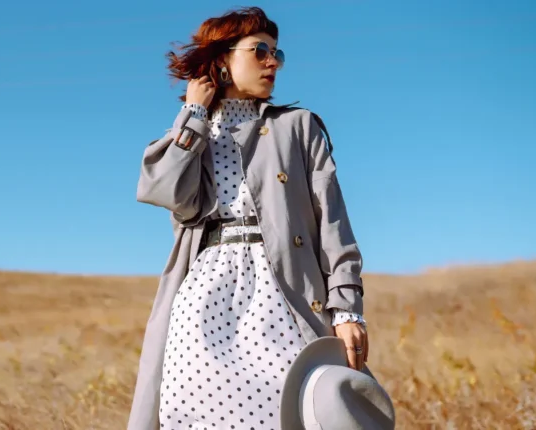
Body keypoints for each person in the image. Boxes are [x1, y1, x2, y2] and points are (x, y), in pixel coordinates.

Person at [130, 6, 368, 430]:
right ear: (222, 59)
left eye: (277, 52)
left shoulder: (298, 127)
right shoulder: (191, 133)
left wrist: (347, 310)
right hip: (203, 303)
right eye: (259, 51)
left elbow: (333, 223)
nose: (272, 61)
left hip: (285, 297)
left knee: (294, 412)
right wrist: (194, 116)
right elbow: (165, 193)